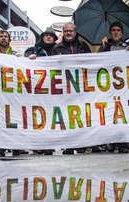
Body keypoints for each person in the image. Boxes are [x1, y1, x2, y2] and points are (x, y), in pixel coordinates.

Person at [52, 22, 91, 155]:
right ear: (63, 32)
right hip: (65, 89)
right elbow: (50, 67)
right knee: (68, 116)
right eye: (66, 31)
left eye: (71, 31)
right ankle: (69, 145)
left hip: (81, 87)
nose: (69, 33)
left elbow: (93, 62)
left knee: (81, 115)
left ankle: (81, 144)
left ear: (75, 32)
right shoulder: (57, 48)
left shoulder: (83, 46)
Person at [98, 21, 129, 154]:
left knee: (123, 114)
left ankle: (123, 142)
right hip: (109, 86)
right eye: (113, 30)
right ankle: (112, 142)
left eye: (118, 30)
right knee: (111, 114)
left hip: (125, 86)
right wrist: (103, 47)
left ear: (122, 33)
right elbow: (97, 62)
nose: (116, 32)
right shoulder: (105, 46)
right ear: (110, 32)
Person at [24, 28, 58, 155]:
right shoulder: (33, 49)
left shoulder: (58, 50)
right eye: (46, 35)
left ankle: (49, 144)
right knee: (39, 116)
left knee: (52, 117)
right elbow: (23, 61)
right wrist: (28, 58)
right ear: (42, 37)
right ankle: (39, 144)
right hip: (38, 91)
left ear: (54, 38)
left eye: (51, 36)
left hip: (54, 90)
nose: (48, 37)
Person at [0, 29, 22, 157]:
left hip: (12, 93)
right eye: (1, 36)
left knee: (14, 120)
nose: (4, 38)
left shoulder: (16, 54)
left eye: (6, 36)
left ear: (9, 40)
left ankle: (16, 147)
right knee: (0, 120)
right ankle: (0, 148)